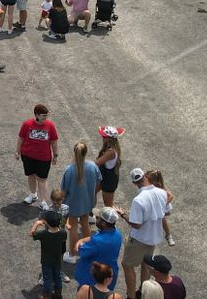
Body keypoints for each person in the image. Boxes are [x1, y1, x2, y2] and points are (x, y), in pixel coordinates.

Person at [117, 168, 169, 298]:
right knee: (146, 265)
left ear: (134, 183)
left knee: (127, 265)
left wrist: (123, 214)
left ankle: (131, 296)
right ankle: (144, 293)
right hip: (154, 237)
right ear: (145, 176)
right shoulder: (162, 193)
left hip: (140, 239)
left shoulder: (138, 200)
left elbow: (136, 224)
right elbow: (166, 212)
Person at [61, 143, 101, 263]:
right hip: (88, 202)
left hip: (72, 204)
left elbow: (63, 192)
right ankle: (87, 251)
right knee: (85, 224)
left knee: (72, 227)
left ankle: (73, 254)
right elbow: (99, 181)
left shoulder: (69, 170)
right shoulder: (93, 166)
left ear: (74, 152)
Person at [17, 103, 60, 205]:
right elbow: (21, 139)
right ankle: (33, 194)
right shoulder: (27, 124)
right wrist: (17, 151)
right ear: (37, 115)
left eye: (46, 115)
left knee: (42, 179)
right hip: (27, 156)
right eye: (43, 115)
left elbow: (54, 142)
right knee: (31, 175)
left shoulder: (50, 126)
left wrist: (56, 155)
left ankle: (43, 201)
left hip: (44, 158)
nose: (46, 118)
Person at [75, 207, 123, 291]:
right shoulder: (118, 234)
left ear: (103, 223)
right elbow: (96, 238)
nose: (96, 219)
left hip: (93, 279)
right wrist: (85, 239)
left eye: (98, 218)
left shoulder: (97, 241)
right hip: (109, 274)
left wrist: (79, 242)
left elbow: (81, 251)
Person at [32, 210, 68, 299]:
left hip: (46, 261)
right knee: (57, 277)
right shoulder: (63, 233)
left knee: (47, 279)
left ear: (46, 223)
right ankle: (58, 294)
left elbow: (32, 234)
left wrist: (36, 224)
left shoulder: (43, 234)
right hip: (57, 260)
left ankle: (46, 296)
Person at [94, 126, 124, 208]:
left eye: (104, 137)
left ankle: (111, 220)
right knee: (92, 192)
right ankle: (90, 214)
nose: (102, 138)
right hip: (104, 177)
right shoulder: (110, 148)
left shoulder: (111, 152)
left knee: (108, 205)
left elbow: (96, 163)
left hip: (109, 181)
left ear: (109, 139)